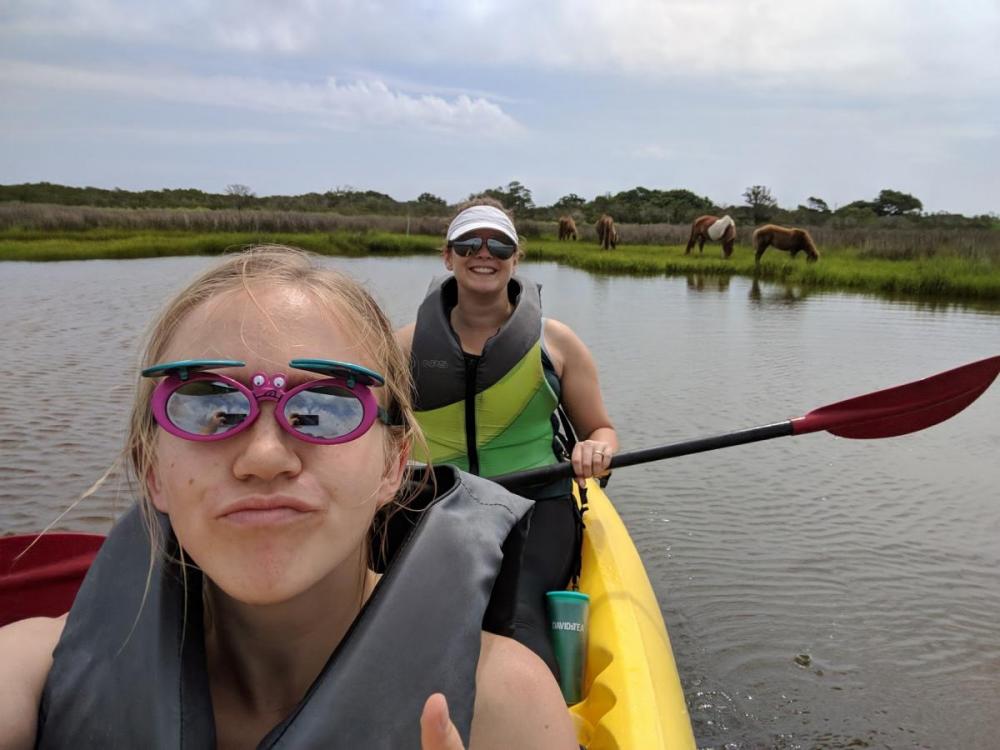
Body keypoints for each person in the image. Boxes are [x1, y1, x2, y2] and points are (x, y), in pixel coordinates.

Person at [0, 246, 576, 749]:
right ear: (152, 468)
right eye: (208, 406)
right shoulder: (33, 667)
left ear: (394, 464)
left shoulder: (505, 704)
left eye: (325, 407)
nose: (264, 458)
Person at [396, 200, 619, 677]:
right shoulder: (402, 346)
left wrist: (596, 448)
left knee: (516, 625)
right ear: (447, 256)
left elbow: (601, 428)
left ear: (516, 257)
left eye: (499, 244)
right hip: (430, 501)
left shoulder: (556, 343)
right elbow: (364, 427)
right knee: (413, 627)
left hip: (535, 502)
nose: (485, 254)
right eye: (468, 244)